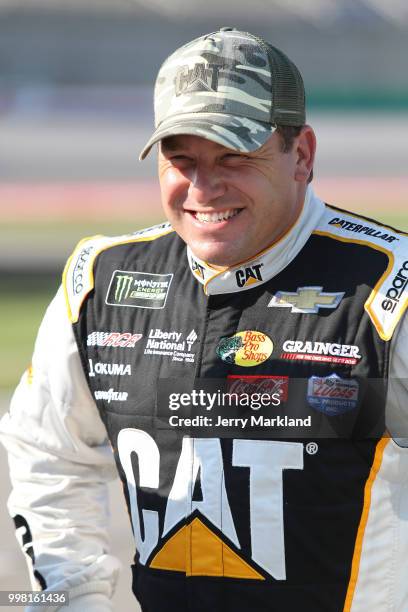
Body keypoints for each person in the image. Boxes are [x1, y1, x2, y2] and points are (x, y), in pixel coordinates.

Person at [1, 26, 408, 612]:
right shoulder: (98, 280)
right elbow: (49, 458)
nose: (203, 186)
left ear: (302, 155)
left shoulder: (389, 291)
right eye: (180, 158)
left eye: (234, 157)